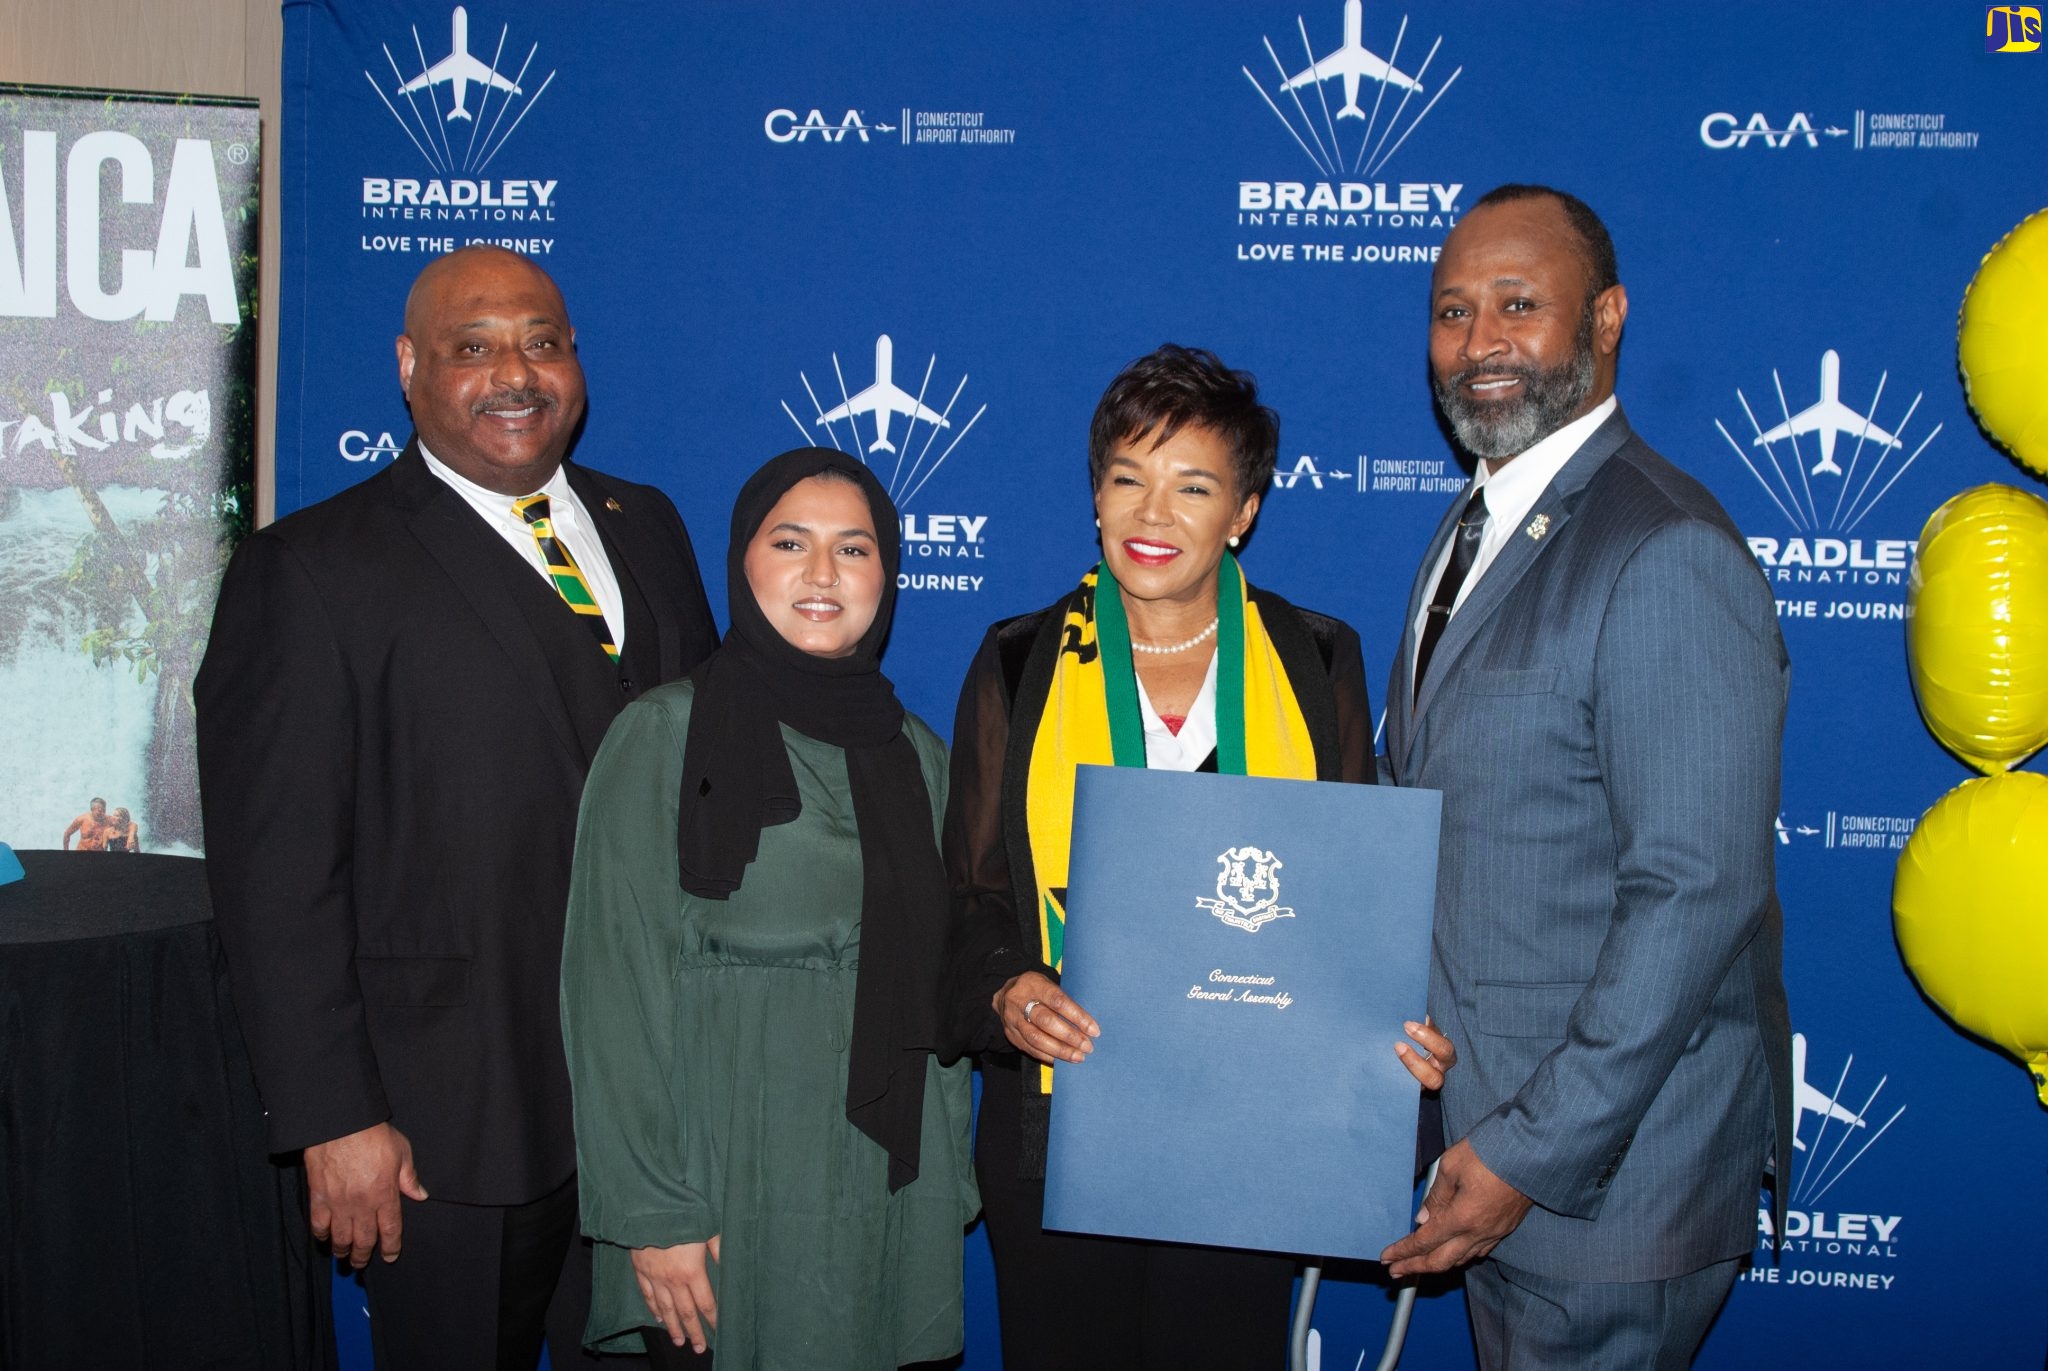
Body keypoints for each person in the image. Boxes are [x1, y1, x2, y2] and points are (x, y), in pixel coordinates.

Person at [195, 245, 718, 1371]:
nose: (513, 373)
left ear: (575, 359)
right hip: (441, 1126)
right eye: (471, 347)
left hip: (653, 1115)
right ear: (408, 367)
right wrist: (333, 1117)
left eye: (540, 342)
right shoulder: (310, 570)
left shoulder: (651, 527)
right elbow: (274, 875)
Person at [944, 344, 1454, 1370]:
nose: (1150, 514)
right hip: (1060, 1125)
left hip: (1250, 1130)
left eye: (1192, 487)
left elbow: (1350, 891)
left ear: (1244, 512)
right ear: (1094, 494)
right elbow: (970, 892)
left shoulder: (1314, 659)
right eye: (1126, 478)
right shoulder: (1018, 660)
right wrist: (1004, 989)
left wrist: (1390, 1041)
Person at [1376, 185, 1794, 1369]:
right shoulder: (1472, 528)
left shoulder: (1661, 549)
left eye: (1519, 305)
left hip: (1601, 1188)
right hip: (1492, 1142)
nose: (1479, 342)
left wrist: (1529, 1154)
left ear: (1604, 319)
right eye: (1451, 312)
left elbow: (1695, 889)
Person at [561, 447, 977, 1370]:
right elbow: (612, 990)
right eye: (791, 542)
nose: (823, 574)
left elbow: (938, 985)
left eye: (855, 548)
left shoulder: (921, 754)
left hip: (882, 1181)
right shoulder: (662, 736)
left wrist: (947, 1175)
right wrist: (649, 1213)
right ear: (743, 563)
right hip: (718, 1180)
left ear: (888, 574)